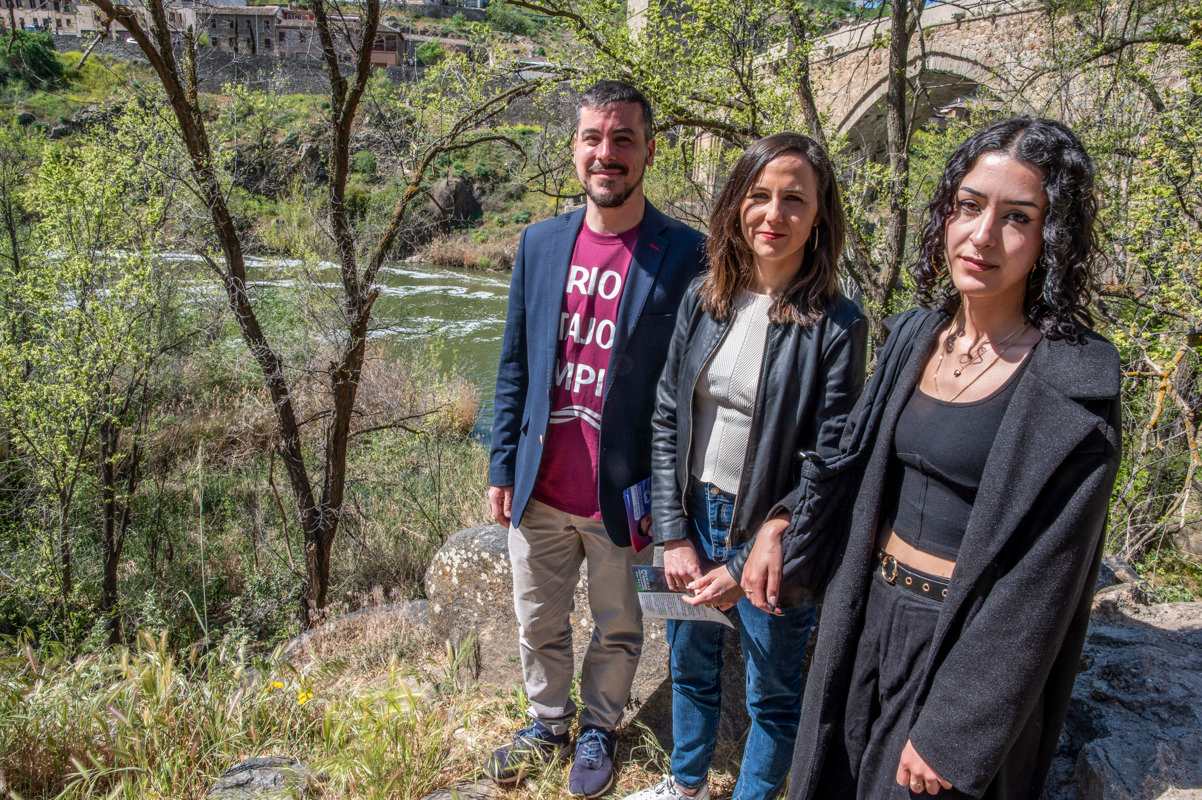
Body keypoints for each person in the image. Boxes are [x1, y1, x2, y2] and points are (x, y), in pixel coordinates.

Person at [740, 117, 1123, 799]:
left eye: (1017, 218)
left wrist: (957, 727)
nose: (981, 236)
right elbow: (851, 453)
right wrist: (783, 519)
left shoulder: (1072, 388)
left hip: (958, 648)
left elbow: (1045, 584)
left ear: (1049, 241)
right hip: (865, 616)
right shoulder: (920, 333)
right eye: (969, 206)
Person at [624, 133, 867, 800]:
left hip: (770, 534)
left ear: (820, 216)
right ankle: (686, 784)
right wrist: (672, 531)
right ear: (736, 205)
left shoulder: (838, 325)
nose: (774, 214)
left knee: (773, 691)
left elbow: (832, 457)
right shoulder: (708, 296)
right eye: (759, 196)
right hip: (694, 514)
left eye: (795, 199)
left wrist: (751, 557)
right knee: (690, 662)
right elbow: (669, 412)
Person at [484, 79, 705, 798]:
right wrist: (500, 465)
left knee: (618, 625)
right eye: (592, 139)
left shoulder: (685, 254)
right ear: (575, 148)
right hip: (540, 483)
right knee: (537, 618)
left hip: (624, 489)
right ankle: (546, 721)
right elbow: (515, 359)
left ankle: (598, 730)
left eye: (622, 139)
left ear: (647, 150)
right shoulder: (540, 242)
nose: (605, 153)